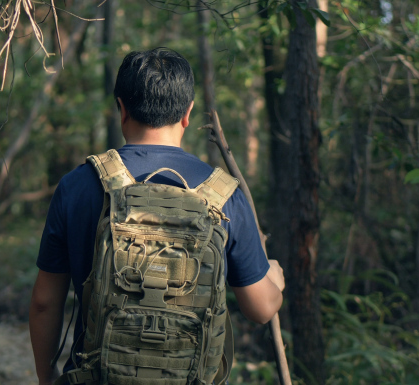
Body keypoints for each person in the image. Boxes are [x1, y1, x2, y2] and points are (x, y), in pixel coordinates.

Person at [29, 47, 285, 385]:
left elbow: (46, 302)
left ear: (121, 107)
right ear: (187, 113)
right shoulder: (223, 195)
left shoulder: (78, 185)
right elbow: (261, 309)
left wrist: (46, 378)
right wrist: (276, 278)